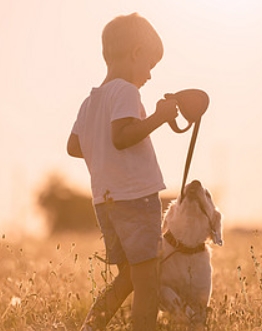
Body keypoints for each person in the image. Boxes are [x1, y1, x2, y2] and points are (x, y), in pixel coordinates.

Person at [67, 13, 178, 331]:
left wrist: (98, 148)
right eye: (150, 66)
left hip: (106, 202)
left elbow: (74, 146)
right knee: (147, 281)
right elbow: (122, 136)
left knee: (129, 275)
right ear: (136, 53)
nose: (149, 76)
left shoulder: (91, 101)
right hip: (135, 199)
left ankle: (92, 326)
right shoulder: (126, 91)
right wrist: (159, 116)